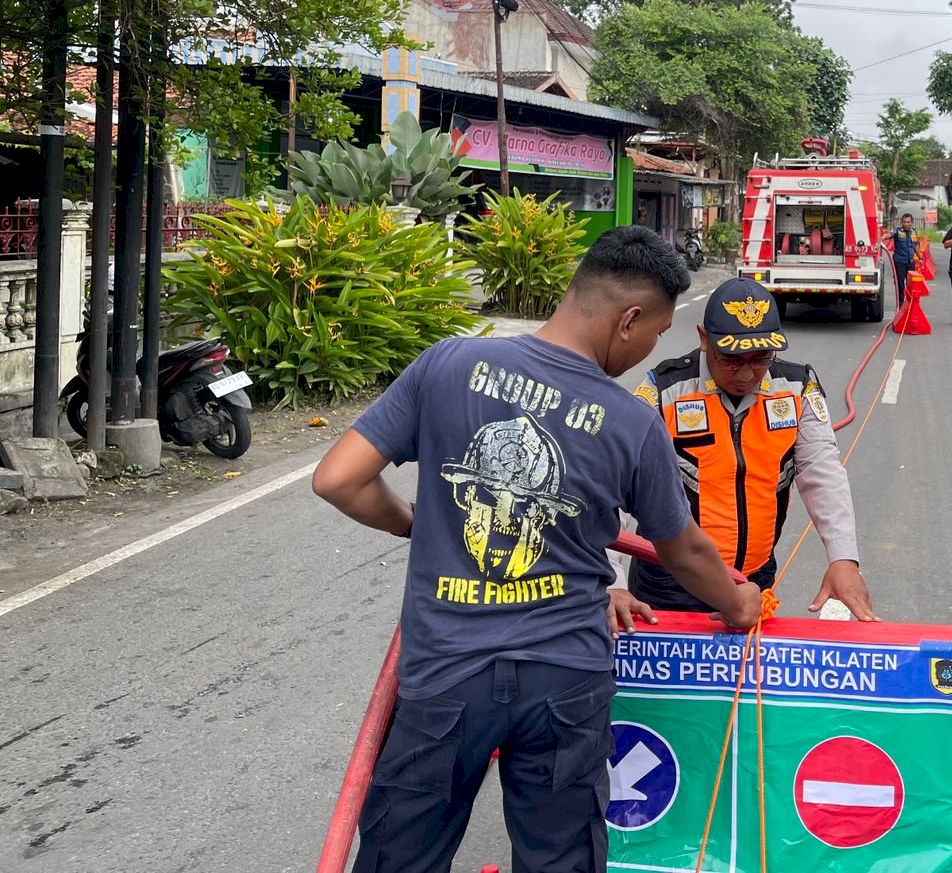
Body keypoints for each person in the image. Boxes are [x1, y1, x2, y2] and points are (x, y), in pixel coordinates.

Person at [312, 227, 761, 873]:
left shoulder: (448, 365)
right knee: (560, 859)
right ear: (627, 319)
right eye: (655, 334)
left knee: (400, 858)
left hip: (444, 679)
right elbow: (685, 550)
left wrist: (415, 523)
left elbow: (337, 479)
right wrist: (739, 603)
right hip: (565, 684)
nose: (645, 351)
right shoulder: (632, 423)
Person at [614, 277, 877, 622]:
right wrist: (612, 581)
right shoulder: (663, 392)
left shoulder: (797, 389)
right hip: (667, 589)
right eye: (732, 360)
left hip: (752, 584)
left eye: (762, 357)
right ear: (704, 339)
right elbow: (615, 491)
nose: (747, 374)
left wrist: (844, 558)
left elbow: (822, 473)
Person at [889, 212, 918, 305]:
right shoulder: (897, 231)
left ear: (911, 222)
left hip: (910, 261)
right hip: (900, 261)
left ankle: (910, 303)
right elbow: (888, 235)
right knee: (900, 283)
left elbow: (915, 245)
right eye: (904, 222)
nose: (906, 224)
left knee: (911, 284)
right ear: (901, 222)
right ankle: (901, 304)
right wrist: (880, 240)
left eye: (908, 222)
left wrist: (920, 257)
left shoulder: (914, 232)